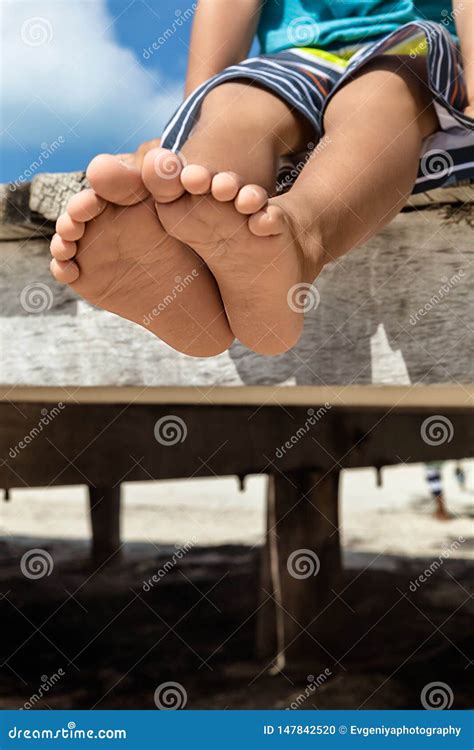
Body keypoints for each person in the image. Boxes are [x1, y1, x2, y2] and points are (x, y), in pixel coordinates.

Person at [50, 1, 474, 357]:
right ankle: (191, 275)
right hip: (296, 59)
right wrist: (192, 117)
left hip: (410, 47)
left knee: (377, 102)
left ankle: (299, 239)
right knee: (232, 106)